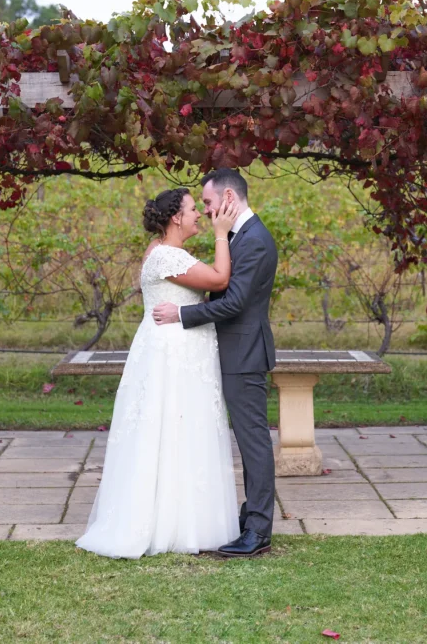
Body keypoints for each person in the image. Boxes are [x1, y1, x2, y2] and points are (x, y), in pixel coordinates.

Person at [75, 187, 241, 559]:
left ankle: (181, 521)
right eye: (194, 209)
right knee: (175, 431)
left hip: (176, 350)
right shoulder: (166, 255)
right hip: (175, 356)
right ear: (176, 217)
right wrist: (221, 233)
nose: (199, 214)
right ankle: (170, 525)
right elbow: (219, 280)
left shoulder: (162, 250)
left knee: (177, 432)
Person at [152, 168, 279, 558]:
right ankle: (250, 516)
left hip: (243, 354)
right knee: (248, 440)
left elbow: (235, 302)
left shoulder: (254, 239)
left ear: (228, 198)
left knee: (253, 442)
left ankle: (258, 530)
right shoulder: (241, 235)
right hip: (233, 351)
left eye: (207, 202)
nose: (205, 211)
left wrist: (182, 314)